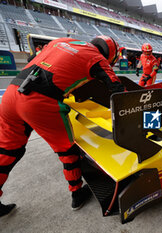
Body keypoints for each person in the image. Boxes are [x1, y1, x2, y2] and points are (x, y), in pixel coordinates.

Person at [0, 35, 125, 217]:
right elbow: (118, 90)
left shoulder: (60, 41)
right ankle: (77, 194)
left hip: (11, 95)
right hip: (39, 102)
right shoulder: (97, 59)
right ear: (110, 54)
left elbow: (32, 58)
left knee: (8, 152)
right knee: (68, 150)